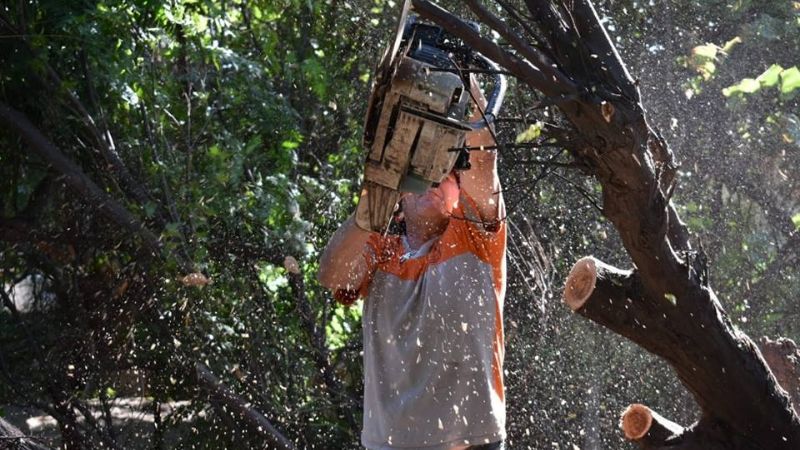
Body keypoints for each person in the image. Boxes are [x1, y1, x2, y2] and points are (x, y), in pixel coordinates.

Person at [318, 77, 506, 450]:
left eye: (448, 173)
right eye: (423, 171)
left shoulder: (476, 236)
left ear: (460, 192)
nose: (435, 177)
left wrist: (465, 88)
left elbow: (483, 161)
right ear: (400, 199)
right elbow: (331, 274)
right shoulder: (377, 248)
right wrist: (377, 193)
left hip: (470, 443)